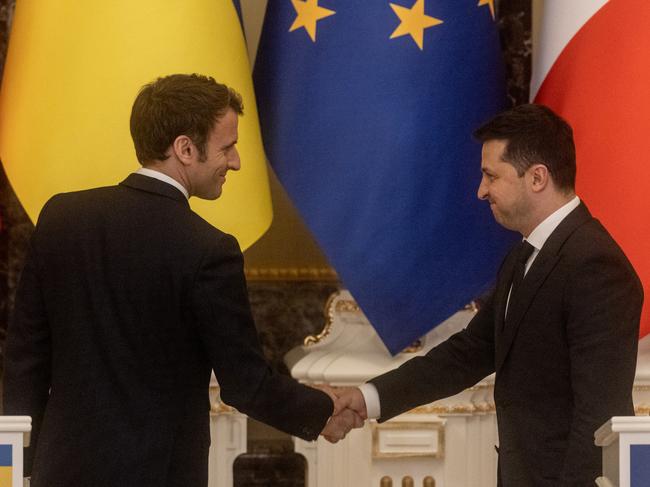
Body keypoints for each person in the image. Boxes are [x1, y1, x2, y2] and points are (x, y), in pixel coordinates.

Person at [2, 73, 358, 487]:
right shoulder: (208, 249)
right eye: (227, 147)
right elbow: (245, 386)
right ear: (185, 149)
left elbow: (26, 357)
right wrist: (322, 410)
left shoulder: (61, 218)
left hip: (60, 473)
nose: (237, 161)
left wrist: (17, 466)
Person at [335, 104, 644, 486]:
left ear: (537, 178)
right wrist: (368, 399)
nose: (481, 191)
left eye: (490, 176)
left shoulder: (595, 266)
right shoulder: (521, 256)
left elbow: (598, 415)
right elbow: (467, 354)